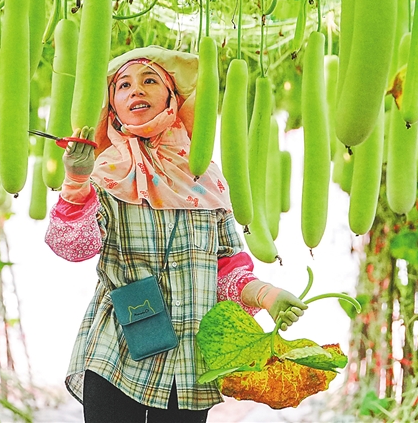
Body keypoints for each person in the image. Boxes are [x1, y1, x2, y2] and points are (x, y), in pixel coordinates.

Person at [45, 46, 307, 423]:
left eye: (150, 80)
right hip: (116, 350)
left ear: (172, 98)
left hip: (186, 361)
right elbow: (72, 246)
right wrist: (76, 181)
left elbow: (227, 271)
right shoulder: (104, 173)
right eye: (123, 85)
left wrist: (268, 296)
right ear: (113, 106)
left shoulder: (208, 179)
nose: (136, 89)